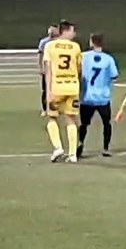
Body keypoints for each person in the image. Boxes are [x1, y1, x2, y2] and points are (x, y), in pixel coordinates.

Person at [42, 20, 82, 163]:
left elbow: (47, 70)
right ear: (65, 31)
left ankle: (58, 147)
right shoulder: (76, 47)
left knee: (52, 117)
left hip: (57, 87)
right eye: (72, 31)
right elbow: (79, 69)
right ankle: (72, 155)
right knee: (71, 119)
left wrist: (48, 91)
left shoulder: (50, 46)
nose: (74, 34)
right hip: (72, 87)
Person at [77, 33, 118, 159]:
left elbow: (77, 70)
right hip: (103, 98)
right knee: (107, 123)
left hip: (87, 97)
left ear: (91, 43)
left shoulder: (83, 56)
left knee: (84, 124)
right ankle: (105, 148)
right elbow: (114, 75)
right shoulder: (108, 59)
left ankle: (80, 144)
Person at [37, 25, 58, 115]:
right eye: (51, 29)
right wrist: (41, 67)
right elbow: (40, 55)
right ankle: (45, 109)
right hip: (47, 68)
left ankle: (56, 107)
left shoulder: (59, 42)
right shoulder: (44, 42)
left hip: (57, 69)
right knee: (45, 89)